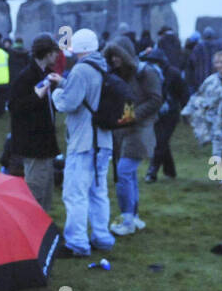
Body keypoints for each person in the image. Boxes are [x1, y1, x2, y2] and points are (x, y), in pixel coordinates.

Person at [51, 28, 115, 258]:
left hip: (84, 141)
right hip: (104, 139)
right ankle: (102, 237)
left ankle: (77, 242)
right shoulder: (103, 66)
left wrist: (56, 94)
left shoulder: (80, 69)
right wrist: (64, 83)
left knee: (75, 193)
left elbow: (69, 103)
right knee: (98, 190)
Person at [104, 35, 162, 234]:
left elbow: (156, 99)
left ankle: (127, 219)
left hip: (140, 129)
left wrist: (133, 116)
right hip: (123, 130)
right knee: (128, 175)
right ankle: (133, 217)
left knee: (124, 172)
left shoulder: (146, 72)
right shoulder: (120, 74)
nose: (114, 60)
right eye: (111, 56)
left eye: (117, 55)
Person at [9, 34, 63, 210]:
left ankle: (44, 224)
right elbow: (15, 107)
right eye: (54, 52)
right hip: (32, 142)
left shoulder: (45, 74)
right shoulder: (26, 76)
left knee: (46, 186)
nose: (57, 56)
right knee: (35, 187)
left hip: (45, 140)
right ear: (46, 53)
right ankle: (31, 224)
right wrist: (36, 96)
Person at [182, 50, 222, 189]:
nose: (219, 65)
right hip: (216, 121)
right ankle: (217, 178)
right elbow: (198, 96)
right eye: (216, 62)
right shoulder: (211, 81)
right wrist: (188, 111)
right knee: (217, 149)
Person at [141, 45, 187, 181]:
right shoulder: (150, 74)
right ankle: (170, 171)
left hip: (170, 112)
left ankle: (152, 172)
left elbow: (183, 93)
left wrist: (186, 111)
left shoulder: (173, 73)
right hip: (156, 112)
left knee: (160, 141)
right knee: (162, 142)